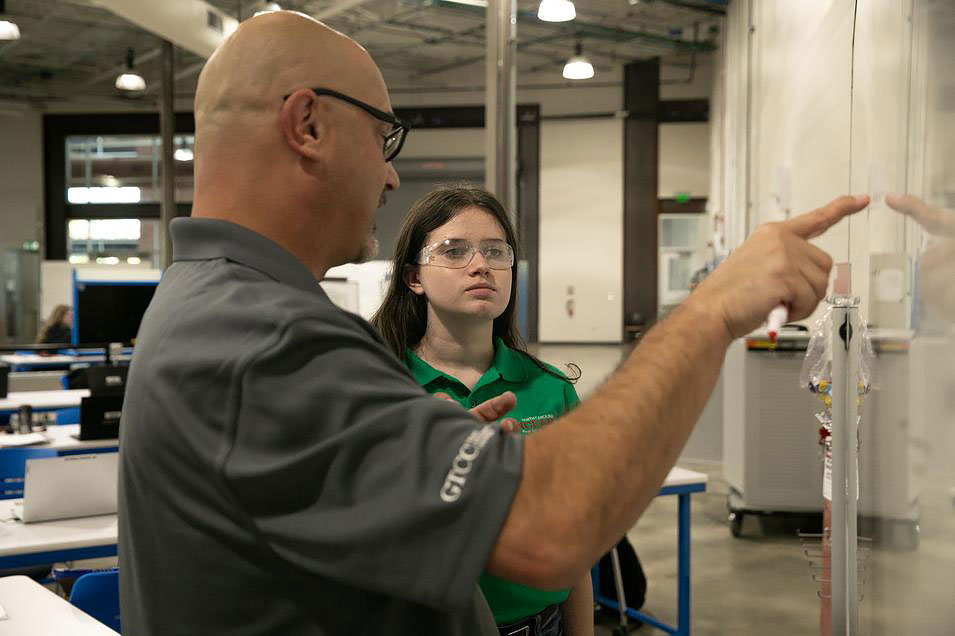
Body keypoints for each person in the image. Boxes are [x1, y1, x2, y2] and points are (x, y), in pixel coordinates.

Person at [118, 10, 869, 636]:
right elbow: (548, 529)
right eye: (383, 139)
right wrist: (711, 308)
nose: (386, 174)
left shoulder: (212, 304)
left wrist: (416, 454)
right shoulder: (264, 337)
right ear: (307, 123)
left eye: (495, 251)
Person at [370, 184, 591, 636]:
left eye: (495, 251)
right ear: (414, 277)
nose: (480, 266)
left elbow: (576, 542)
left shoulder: (551, 390)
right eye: (454, 251)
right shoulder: (382, 387)